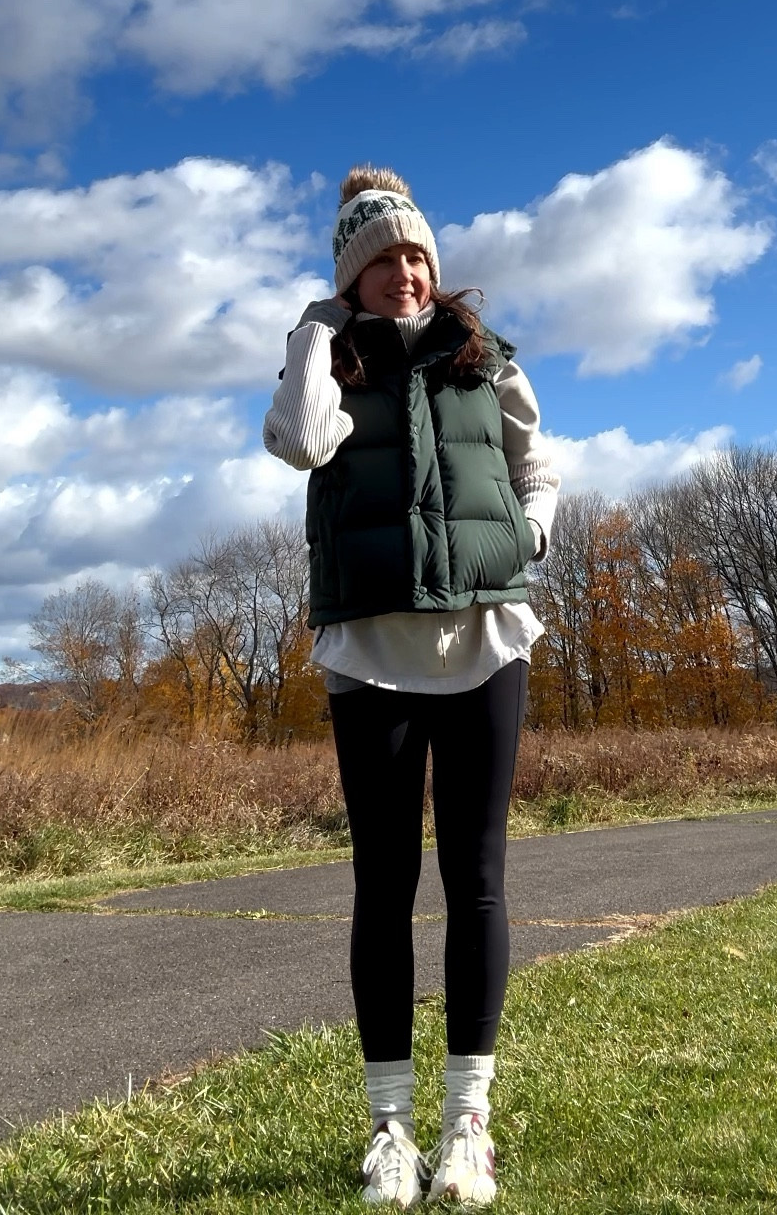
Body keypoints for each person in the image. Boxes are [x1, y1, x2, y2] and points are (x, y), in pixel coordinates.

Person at [264, 166, 559, 1207]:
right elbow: (301, 441)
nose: (405, 272)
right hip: (370, 653)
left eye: (416, 255)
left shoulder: (485, 357)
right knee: (382, 888)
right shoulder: (331, 361)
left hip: (484, 639)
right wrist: (315, 330)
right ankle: (389, 1129)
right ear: (352, 275)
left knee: (477, 880)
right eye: (382, 259)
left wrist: (530, 536)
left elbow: (536, 463)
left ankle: (468, 1125)